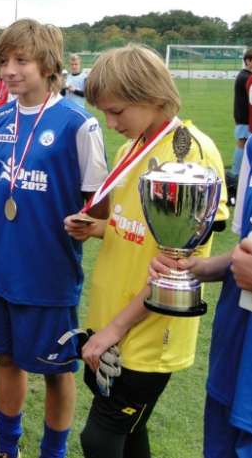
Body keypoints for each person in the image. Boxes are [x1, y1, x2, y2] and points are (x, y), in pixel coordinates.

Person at [66, 44, 228, 458]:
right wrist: (97, 228)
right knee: (130, 435)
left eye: (117, 111)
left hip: (150, 327)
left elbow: (178, 260)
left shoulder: (189, 152)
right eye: (104, 112)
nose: (110, 122)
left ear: (153, 95)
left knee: (99, 439)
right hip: (111, 313)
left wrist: (115, 330)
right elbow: (135, 230)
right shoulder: (130, 148)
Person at [0, 19, 109, 458]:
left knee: (58, 371)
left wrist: (86, 223)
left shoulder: (79, 124)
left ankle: (52, 453)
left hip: (50, 272)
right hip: (0, 268)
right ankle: (6, 448)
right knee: (5, 359)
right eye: (3, 61)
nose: (9, 70)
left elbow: (100, 206)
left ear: (48, 64)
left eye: (21, 60)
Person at [233, 49, 252, 176]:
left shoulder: (244, 76)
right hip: (245, 116)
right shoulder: (246, 77)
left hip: (244, 115)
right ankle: (236, 172)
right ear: (248, 60)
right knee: (243, 142)